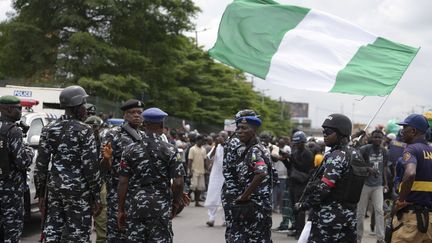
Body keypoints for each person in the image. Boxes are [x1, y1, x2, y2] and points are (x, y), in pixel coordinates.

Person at [34, 85, 102, 242]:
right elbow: (90, 167)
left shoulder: (49, 129)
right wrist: (96, 195)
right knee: (78, 234)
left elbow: (41, 165)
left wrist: (41, 192)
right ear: (77, 105)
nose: (86, 108)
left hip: (55, 188)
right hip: (79, 191)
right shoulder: (85, 130)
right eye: (84, 104)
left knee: (52, 231)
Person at [117, 107, 185, 242]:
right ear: (162, 125)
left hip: (135, 207)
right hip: (160, 208)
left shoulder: (130, 150)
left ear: (144, 124)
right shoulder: (171, 150)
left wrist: (120, 209)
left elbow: (123, 181)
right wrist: (176, 203)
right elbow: (178, 182)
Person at [298, 114, 364, 242]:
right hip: (349, 217)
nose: (324, 135)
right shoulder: (356, 154)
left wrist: (304, 205)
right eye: (323, 131)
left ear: (341, 133)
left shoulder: (336, 156)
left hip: (329, 219)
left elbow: (324, 188)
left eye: (328, 132)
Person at [223, 110, 273, 242]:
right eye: (238, 128)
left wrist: (244, 196)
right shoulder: (250, 149)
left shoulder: (255, 150)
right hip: (251, 206)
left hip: (255, 206)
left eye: (244, 128)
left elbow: (261, 173)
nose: (239, 131)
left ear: (253, 131)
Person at [101, 99, 145, 243]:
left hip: (138, 195)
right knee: (116, 233)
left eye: (139, 112)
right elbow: (103, 168)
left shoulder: (144, 136)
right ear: (125, 115)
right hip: (117, 192)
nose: (137, 115)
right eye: (132, 113)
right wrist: (106, 160)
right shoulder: (112, 134)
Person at [391, 114, 432, 242]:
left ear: (413, 131)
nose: (402, 131)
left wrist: (400, 201)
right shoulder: (430, 150)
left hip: (411, 220)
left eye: (404, 128)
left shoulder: (411, 150)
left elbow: (410, 173)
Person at [0, 95, 34, 242]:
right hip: (10, 189)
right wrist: (29, 149)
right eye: (18, 108)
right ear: (7, 109)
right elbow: (23, 161)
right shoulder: (13, 131)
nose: (21, 112)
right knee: (12, 231)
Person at [357, 129, 388, 243]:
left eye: (380, 137)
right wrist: (367, 169)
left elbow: (384, 167)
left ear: (382, 138)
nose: (377, 139)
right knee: (360, 212)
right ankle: (358, 237)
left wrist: (386, 183)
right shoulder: (365, 149)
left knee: (379, 211)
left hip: (378, 185)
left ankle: (380, 238)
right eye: (375, 137)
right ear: (371, 138)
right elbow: (356, 164)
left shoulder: (384, 151)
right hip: (365, 185)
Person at [285, 130, 314, 238]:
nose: (296, 145)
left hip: (302, 184)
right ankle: (296, 228)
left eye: (298, 143)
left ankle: (300, 232)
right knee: (294, 208)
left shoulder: (308, 153)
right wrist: (284, 159)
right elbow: (291, 167)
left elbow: (303, 167)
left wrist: (290, 157)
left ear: (303, 142)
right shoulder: (296, 152)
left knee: (300, 208)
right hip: (293, 182)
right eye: (295, 143)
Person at [85, 115, 108, 243]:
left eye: (96, 127)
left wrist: (106, 159)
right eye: (92, 127)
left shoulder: (104, 143)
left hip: (99, 184)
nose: (94, 129)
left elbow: (106, 167)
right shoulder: (79, 141)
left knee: (102, 221)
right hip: (83, 185)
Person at [204, 131, 228, 227]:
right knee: (213, 196)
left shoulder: (230, 147)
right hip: (215, 175)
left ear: (227, 138)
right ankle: (211, 218)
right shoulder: (216, 147)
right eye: (220, 136)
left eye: (223, 136)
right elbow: (209, 157)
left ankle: (225, 219)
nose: (221, 137)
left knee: (225, 198)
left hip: (226, 176)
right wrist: (216, 146)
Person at [188, 135, 208, 207]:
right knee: (193, 186)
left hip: (201, 170)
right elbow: (190, 160)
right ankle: (186, 197)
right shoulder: (192, 149)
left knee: (200, 187)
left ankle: (197, 202)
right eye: (202, 140)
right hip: (194, 170)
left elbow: (205, 160)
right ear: (198, 140)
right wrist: (189, 170)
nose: (203, 142)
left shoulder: (203, 149)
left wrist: (207, 169)